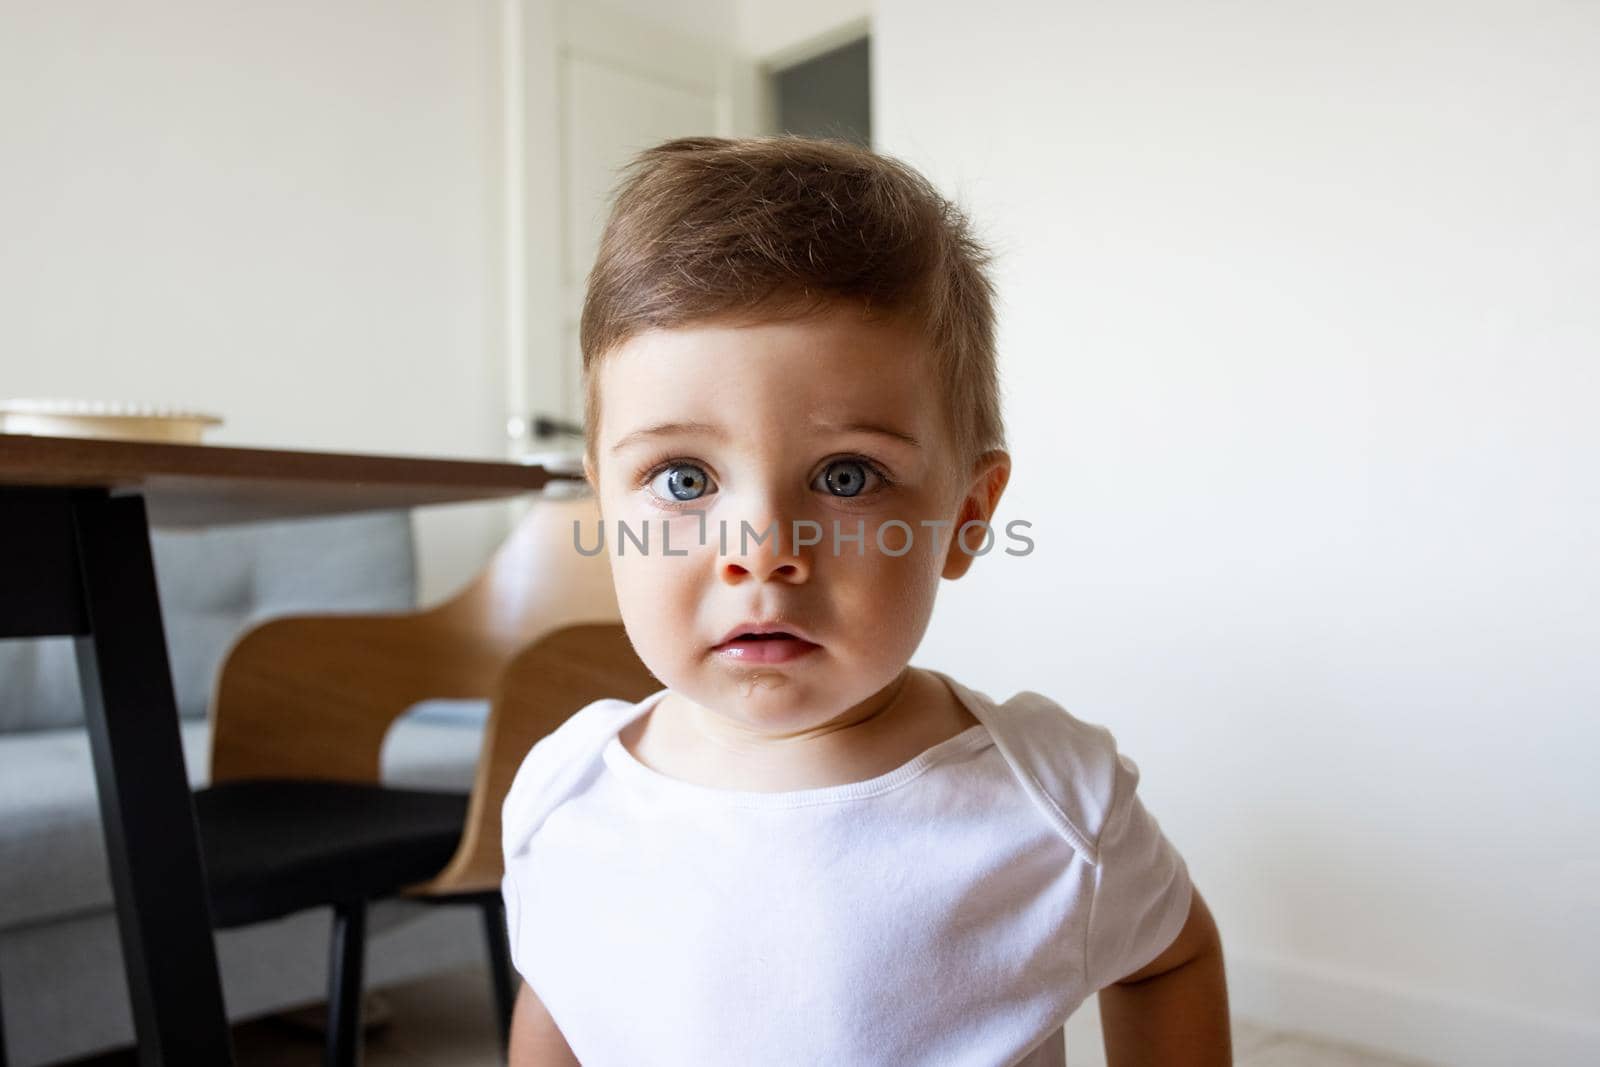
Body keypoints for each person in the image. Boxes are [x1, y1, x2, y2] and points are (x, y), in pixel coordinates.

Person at [501, 135, 1231, 1066]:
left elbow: (1168, 959)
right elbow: (561, 992)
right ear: (605, 509)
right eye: (683, 479)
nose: (762, 551)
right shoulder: (565, 792)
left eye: (847, 475)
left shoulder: (1049, 803)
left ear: (967, 515)